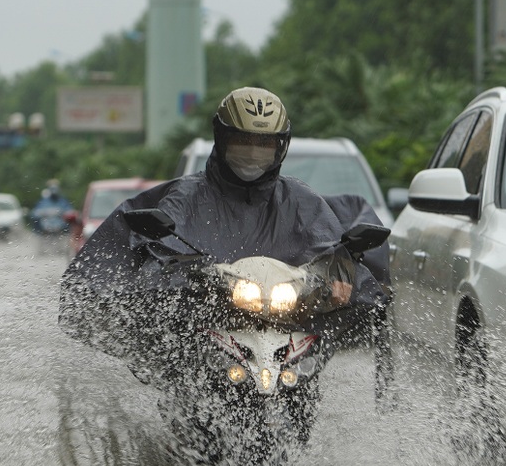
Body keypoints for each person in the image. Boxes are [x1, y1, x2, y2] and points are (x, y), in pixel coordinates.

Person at [59, 86, 388, 374]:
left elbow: (330, 247)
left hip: (289, 324)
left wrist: (343, 280)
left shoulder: (302, 201)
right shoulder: (184, 197)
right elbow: (155, 251)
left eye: (264, 145)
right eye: (243, 143)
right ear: (222, 139)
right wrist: (185, 277)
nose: (253, 154)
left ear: (280, 146)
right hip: (203, 327)